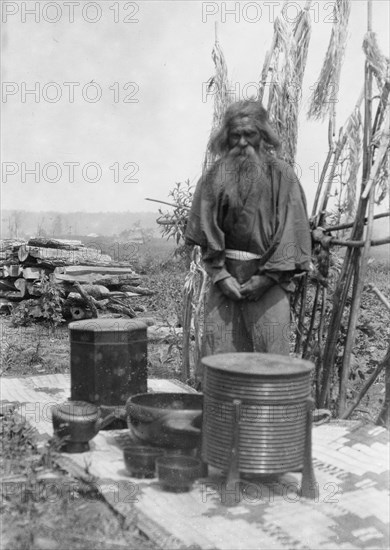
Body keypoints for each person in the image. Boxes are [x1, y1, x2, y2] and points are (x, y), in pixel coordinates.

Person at [185, 100, 311, 379]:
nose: (242, 142)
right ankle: (221, 422)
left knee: (271, 359)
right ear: (225, 138)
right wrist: (219, 275)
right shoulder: (215, 175)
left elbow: (294, 229)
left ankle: (267, 422)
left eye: (249, 134)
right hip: (225, 280)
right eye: (235, 135)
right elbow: (205, 228)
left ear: (263, 136)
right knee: (219, 357)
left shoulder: (283, 176)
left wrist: (267, 278)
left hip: (269, 281)